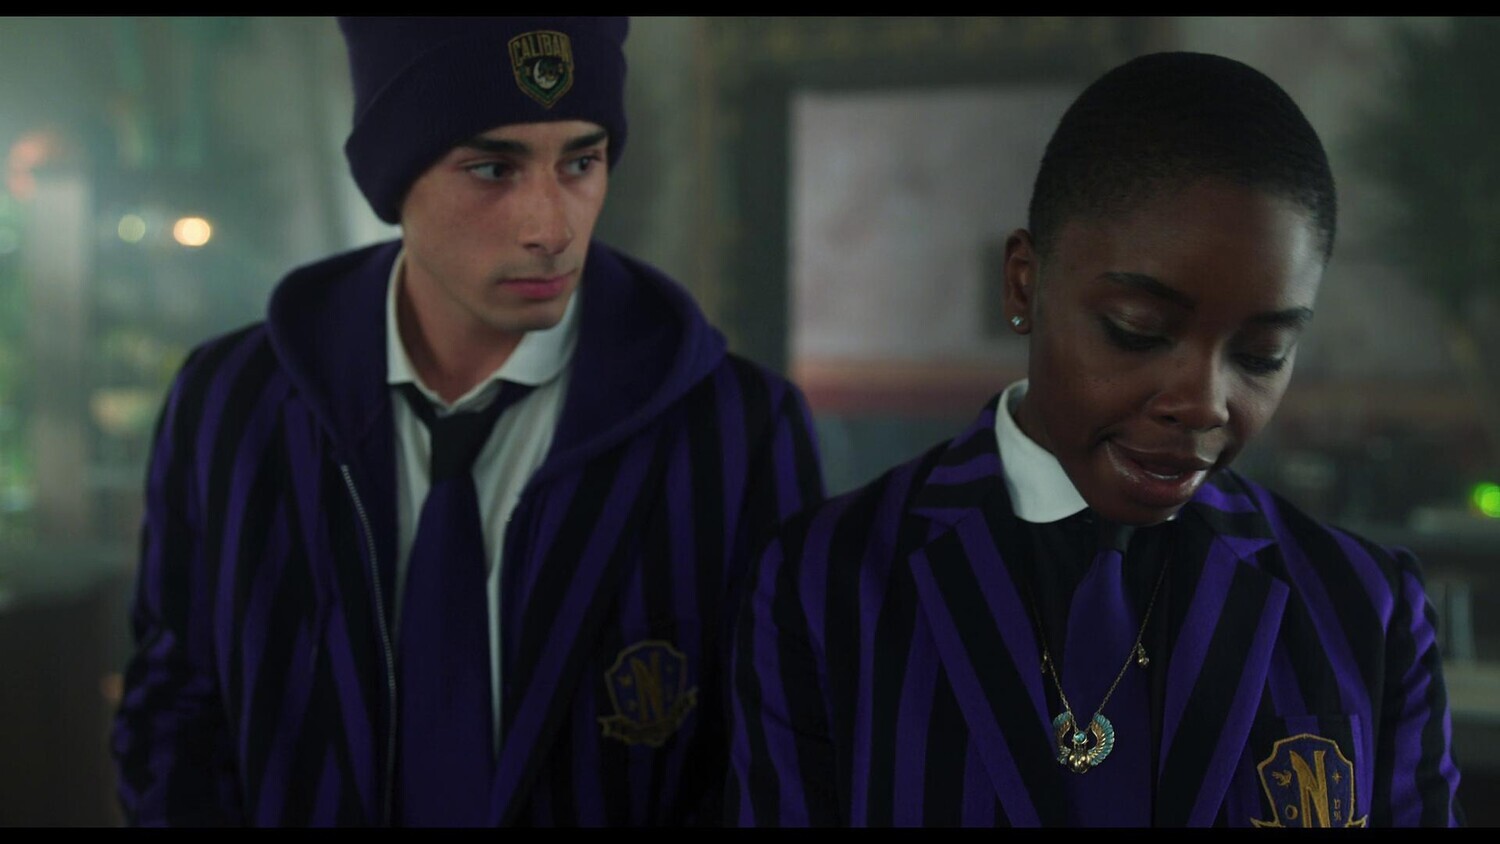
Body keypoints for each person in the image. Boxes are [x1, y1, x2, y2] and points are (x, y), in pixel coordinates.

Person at [110, 16, 824, 827]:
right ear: (394, 177)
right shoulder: (234, 406)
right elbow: (174, 711)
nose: (550, 229)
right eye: (492, 169)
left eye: (581, 162)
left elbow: (778, 756)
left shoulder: (733, 428)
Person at [726, 50, 1464, 828]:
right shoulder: (828, 584)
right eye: (1136, 331)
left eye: (1261, 355)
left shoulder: (1362, 609)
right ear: (1024, 283)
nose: (1204, 404)